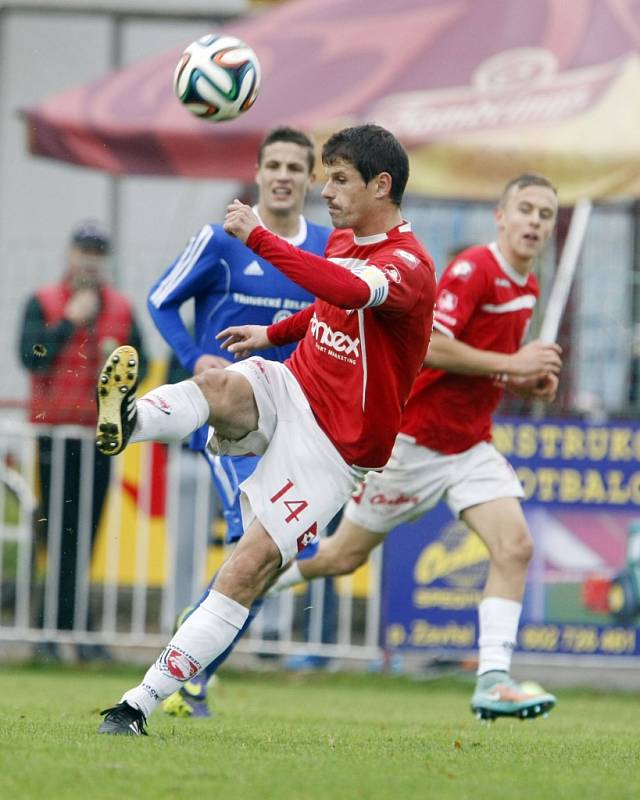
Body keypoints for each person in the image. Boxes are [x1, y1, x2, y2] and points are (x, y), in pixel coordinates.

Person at [95, 123, 436, 735]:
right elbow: (327, 306)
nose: (323, 190)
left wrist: (257, 235)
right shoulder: (345, 238)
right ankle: (129, 419)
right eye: (324, 176)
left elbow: (347, 290)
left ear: (381, 185)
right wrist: (272, 336)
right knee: (219, 383)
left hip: (336, 452)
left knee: (246, 565)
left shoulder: (407, 265)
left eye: (339, 179)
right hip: (295, 387)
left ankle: (138, 703)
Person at [269, 173, 563, 721]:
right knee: (340, 557)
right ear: (501, 216)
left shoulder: (528, 283)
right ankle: (253, 583)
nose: (535, 222)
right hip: (413, 444)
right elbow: (429, 346)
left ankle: (493, 680)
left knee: (515, 547)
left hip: (468, 446)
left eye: (545, 215)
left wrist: (521, 379)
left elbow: (481, 362)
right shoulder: (473, 269)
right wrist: (511, 365)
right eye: (525, 209)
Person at [147, 126, 333, 717]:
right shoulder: (222, 240)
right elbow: (160, 299)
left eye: (294, 167)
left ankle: (195, 634)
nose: (282, 176)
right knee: (250, 538)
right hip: (234, 426)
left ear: (310, 179)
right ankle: (190, 680)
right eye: (272, 165)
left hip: (302, 425)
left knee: (277, 553)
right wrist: (193, 355)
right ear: (257, 174)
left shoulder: (329, 247)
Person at [18, 220, 148, 661]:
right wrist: (67, 324)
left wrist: (118, 377)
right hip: (55, 435)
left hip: (99, 434)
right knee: (55, 533)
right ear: (70, 255)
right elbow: (30, 357)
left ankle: (68, 627)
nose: (89, 261)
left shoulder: (123, 309)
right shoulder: (44, 302)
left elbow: (141, 365)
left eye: (97, 253)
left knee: (86, 532)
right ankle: (53, 629)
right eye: (84, 252)